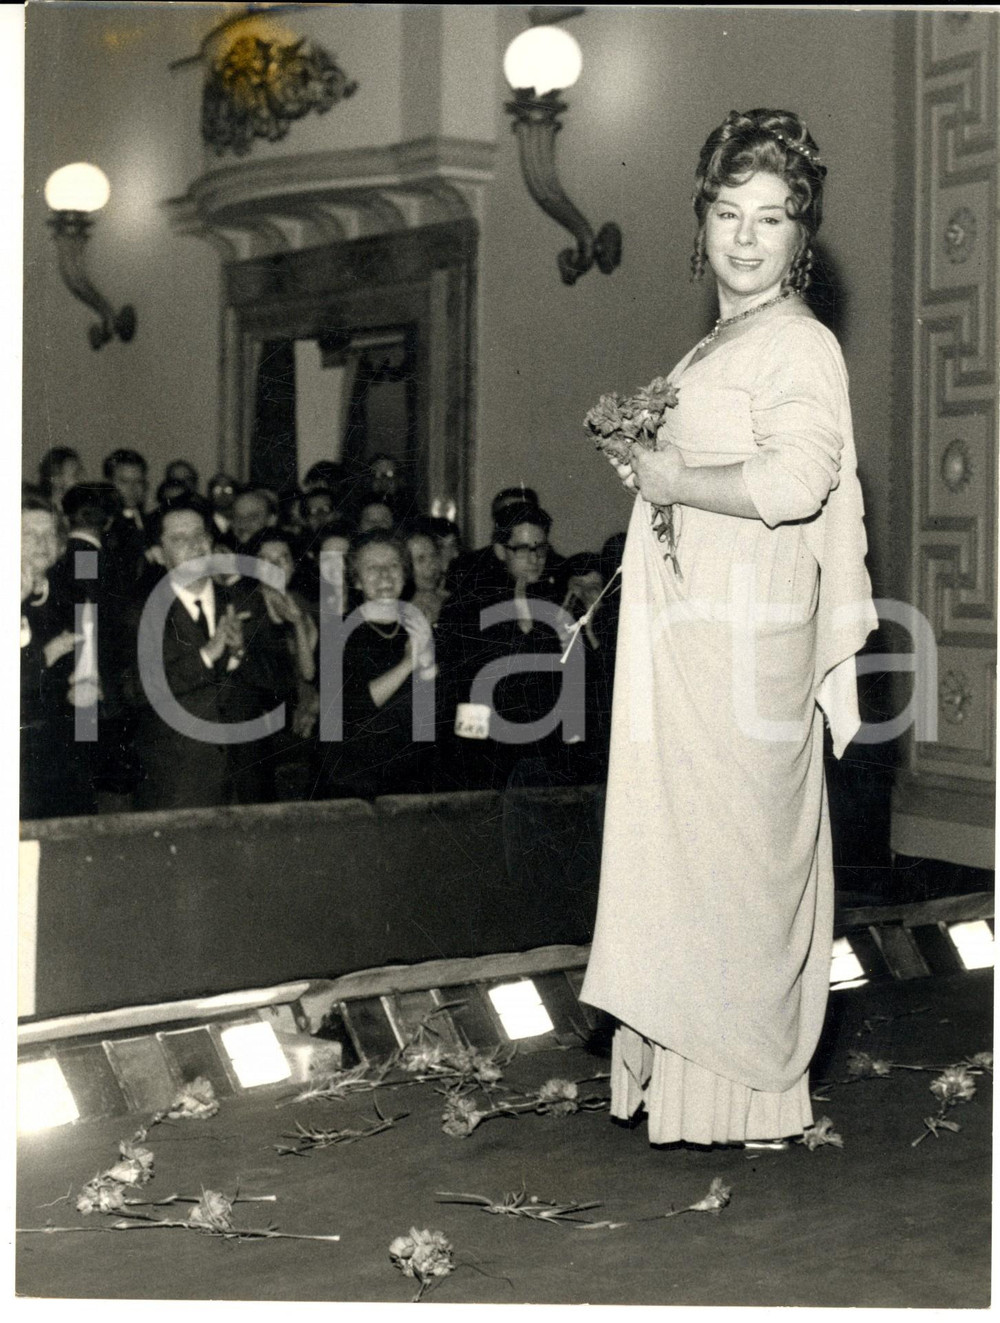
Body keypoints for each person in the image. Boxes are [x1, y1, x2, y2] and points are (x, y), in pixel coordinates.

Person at [581, 109, 877, 1148]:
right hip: (695, 639)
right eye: (727, 213)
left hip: (743, 647)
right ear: (699, 222)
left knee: (733, 864)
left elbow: (800, 480)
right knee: (685, 861)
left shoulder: (798, 341)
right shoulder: (722, 339)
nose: (746, 237)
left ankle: (745, 1088)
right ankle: (684, 1087)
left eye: (773, 218)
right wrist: (654, 471)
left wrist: (674, 476)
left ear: (803, 238)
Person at [312, 531, 436, 799]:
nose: (384, 576)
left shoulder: (419, 627)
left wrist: (429, 666)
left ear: (405, 573)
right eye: (372, 568)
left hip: (412, 776)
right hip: (353, 781)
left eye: (393, 566)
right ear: (356, 580)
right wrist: (406, 664)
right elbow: (349, 707)